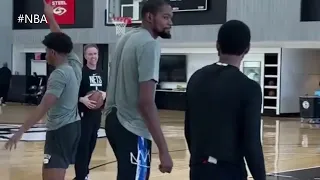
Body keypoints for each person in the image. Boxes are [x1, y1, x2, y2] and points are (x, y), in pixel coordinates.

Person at [4, 1, 83, 180]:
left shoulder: (59, 74)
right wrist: (50, 17)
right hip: (73, 127)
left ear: (53, 52)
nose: (45, 53)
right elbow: (61, 37)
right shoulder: (75, 63)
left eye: (47, 50)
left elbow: (43, 107)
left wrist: (20, 131)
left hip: (60, 131)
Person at [184, 20, 266, 180]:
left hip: (199, 169)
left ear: (217, 45)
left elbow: (188, 129)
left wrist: (199, 160)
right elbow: (251, 142)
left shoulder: (196, 78)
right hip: (229, 171)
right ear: (247, 49)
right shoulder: (249, 88)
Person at [104, 0, 174, 179]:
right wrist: (164, 150)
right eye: (165, 17)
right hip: (132, 125)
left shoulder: (125, 38)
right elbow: (146, 102)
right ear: (150, 17)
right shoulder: (149, 44)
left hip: (113, 121)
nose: (170, 23)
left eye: (171, 18)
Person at [74, 44, 107, 180]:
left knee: (92, 144)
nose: (93, 56)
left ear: (98, 55)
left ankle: (84, 173)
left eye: (95, 54)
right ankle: (81, 176)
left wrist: (105, 95)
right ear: (85, 56)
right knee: (83, 145)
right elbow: (71, 93)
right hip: (83, 114)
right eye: (90, 54)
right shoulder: (81, 72)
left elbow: (107, 91)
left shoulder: (102, 73)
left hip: (96, 115)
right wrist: (82, 99)